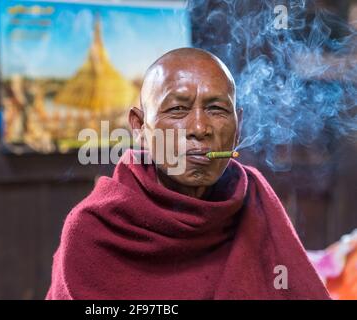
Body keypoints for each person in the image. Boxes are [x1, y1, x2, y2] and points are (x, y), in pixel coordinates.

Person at [46, 48, 330, 299]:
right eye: (178, 109)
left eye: (217, 109)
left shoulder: (253, 198)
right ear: (140, 127)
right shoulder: (97, 227)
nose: (199, 128)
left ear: (238, 125)